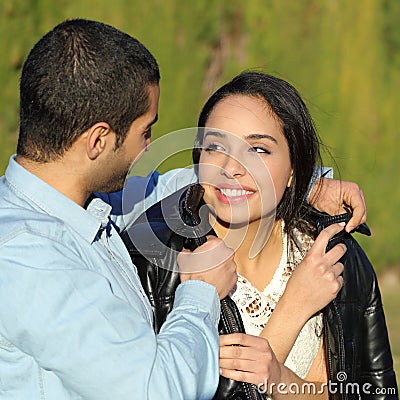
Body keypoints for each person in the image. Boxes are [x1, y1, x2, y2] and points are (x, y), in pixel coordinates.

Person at [0, 18, 368, 400]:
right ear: (98, 140)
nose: (149, 149)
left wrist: (306, 182)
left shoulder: (80, 204)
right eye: (146, 132)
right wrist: (199, 294)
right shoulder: (29, 258)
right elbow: (156, 390)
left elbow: (193, 183)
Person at [123, 72, 397, 399]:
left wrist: (282, 378)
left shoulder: (335, 255)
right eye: (215, 147)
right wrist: (293, 310)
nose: (232, 167)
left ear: (295, 168)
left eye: (258, 149)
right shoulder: (157, 266)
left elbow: (373, 390)